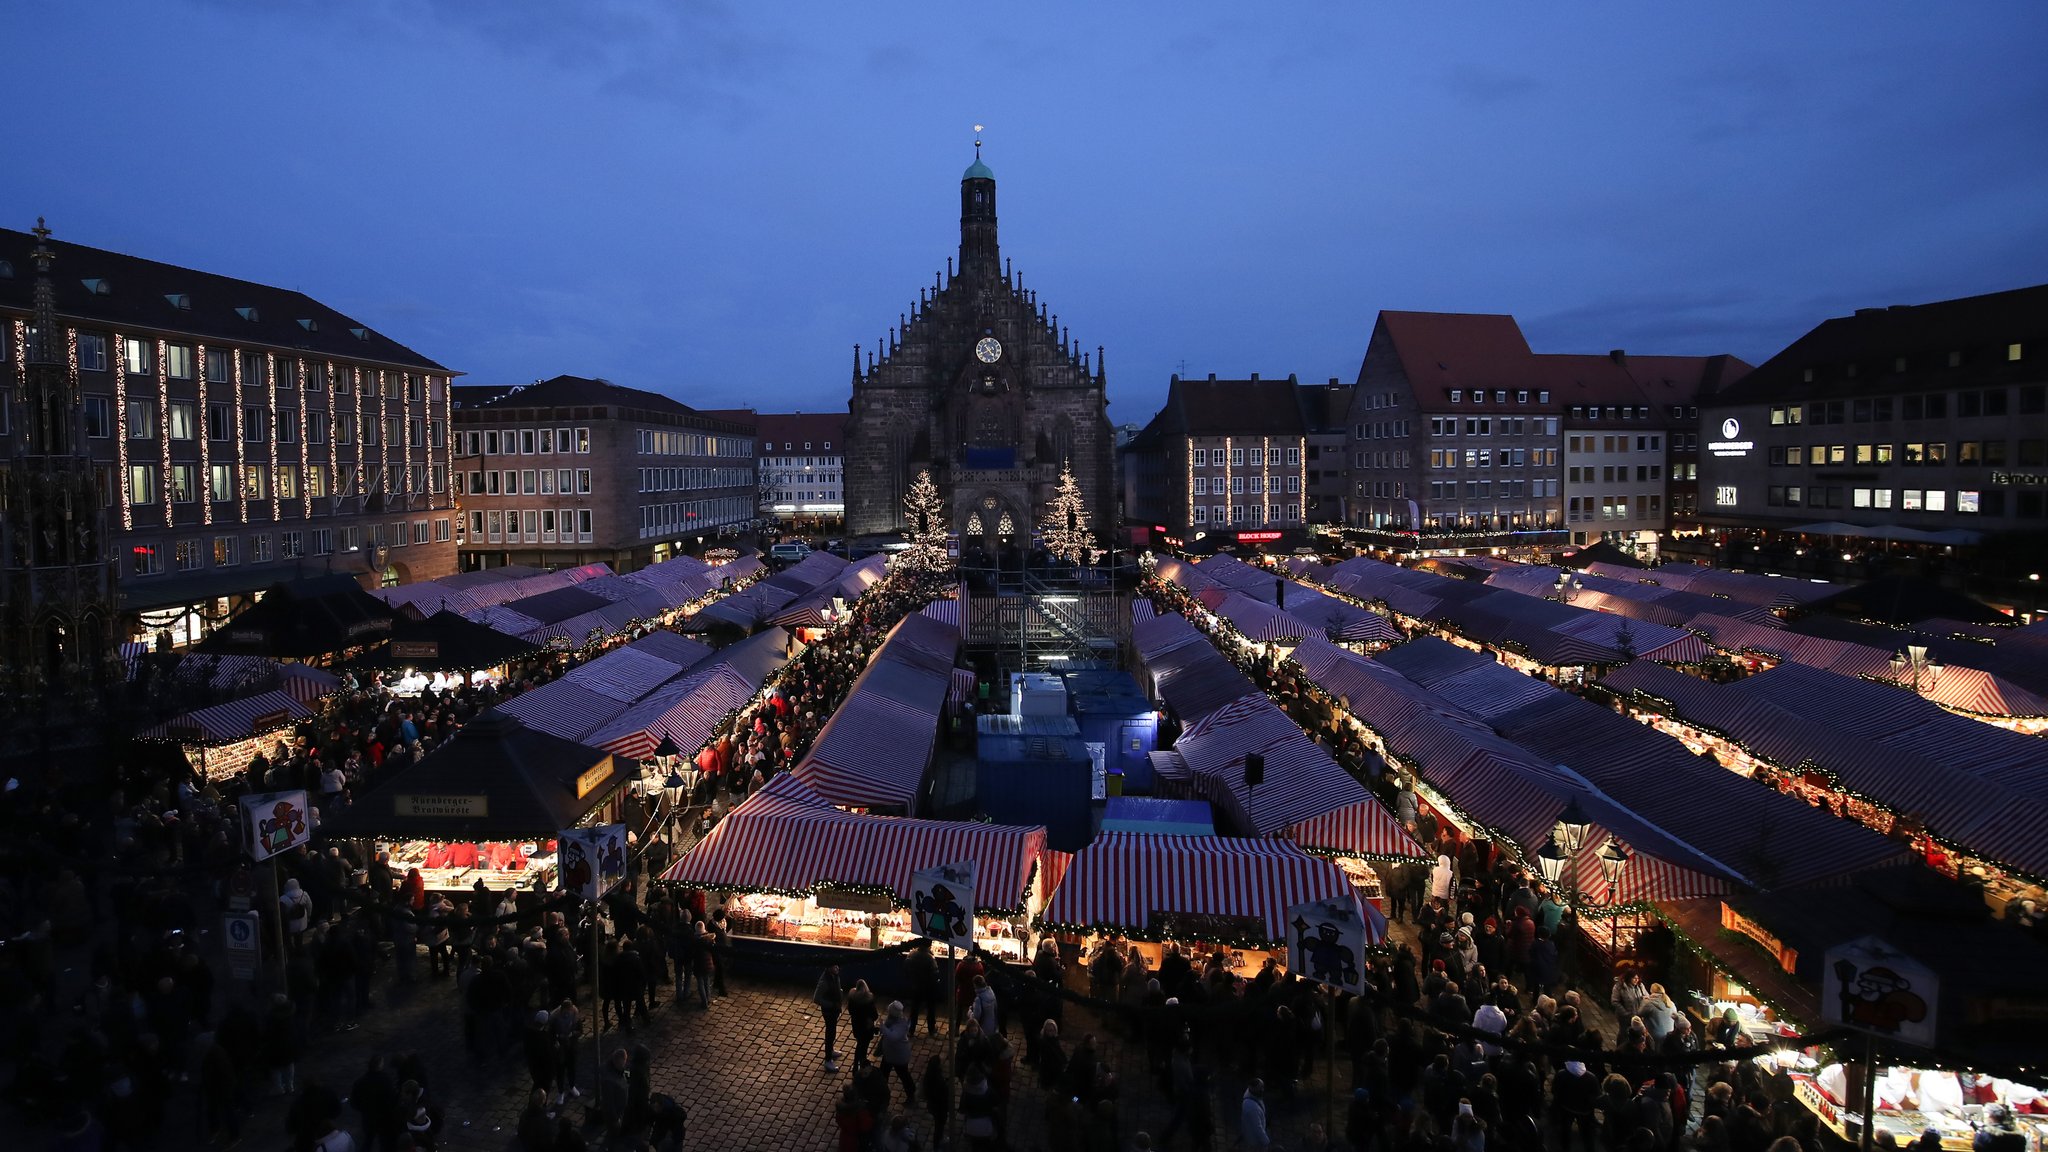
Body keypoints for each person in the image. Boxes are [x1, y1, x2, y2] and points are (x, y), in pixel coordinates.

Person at [879, 1001, 918, 1104]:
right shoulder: (893, 1020)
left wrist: (882, 1027)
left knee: (904, 1076)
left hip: (898, 1057)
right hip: (890, 1054)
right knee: (883, 1075)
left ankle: (911, 1095)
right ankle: (882, 1095)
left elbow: (893, 1037)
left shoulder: (901, 1024)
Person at [815, 964, 846, 1072]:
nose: (837, 968)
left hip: (834, 1009)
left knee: (832, 1032)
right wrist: (831, 1005)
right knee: (830, 1033)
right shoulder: (824, 982)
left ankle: (831, 1051)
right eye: (834, 967)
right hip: (829, 1011)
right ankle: (828, 1059)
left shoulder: (834, 976)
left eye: (837, 966)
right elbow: (816, 998)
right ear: (829, 968)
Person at [848, 979, 880, 1066]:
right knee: (864, 1046)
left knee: (859, 1044)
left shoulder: (852, 997)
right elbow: (875, 1015)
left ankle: (855, 1064)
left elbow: (850, 1011)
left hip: (857, 1025)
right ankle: (862, 1062)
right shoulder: (869, 999)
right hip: (866, 1027)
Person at [1240, 1078, 1270, 1150]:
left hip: (1252, 1135)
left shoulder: (1252, 1096)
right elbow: (1257, 1127)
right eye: (1260, 1089)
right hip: (1256, 1141)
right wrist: (1266, 1141)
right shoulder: (1252, 1108)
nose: (1262, 1090)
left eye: (1263, 1087)